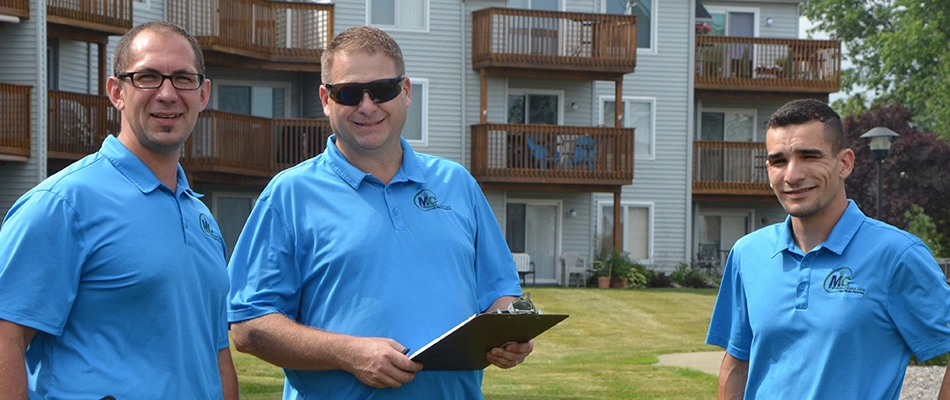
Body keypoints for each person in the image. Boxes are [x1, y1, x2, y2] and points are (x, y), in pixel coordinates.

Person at [227, 25, 532, 399]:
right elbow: (248, 325)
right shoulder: (290, 194)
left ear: (404, 92)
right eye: (350, 93)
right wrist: (347, 353)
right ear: (326, 100)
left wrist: (511, 334)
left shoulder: (457, 183)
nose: (367, 106)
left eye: (383, 90)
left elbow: (500, 293)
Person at [0, 21, 238, 399]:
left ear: (203, 93)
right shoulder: (63, 204)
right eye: (146, 77)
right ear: (117, 92)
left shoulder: (200, 216)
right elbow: (6, 337)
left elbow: (215, 354)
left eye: (182, 78)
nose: (167, 93)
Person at [706, 99, 950, 399]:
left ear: (844, 163)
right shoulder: (748, 253)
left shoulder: (897, 255)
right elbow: (737, 362)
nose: (792, 175)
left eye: (809, 156)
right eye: (779, 161)